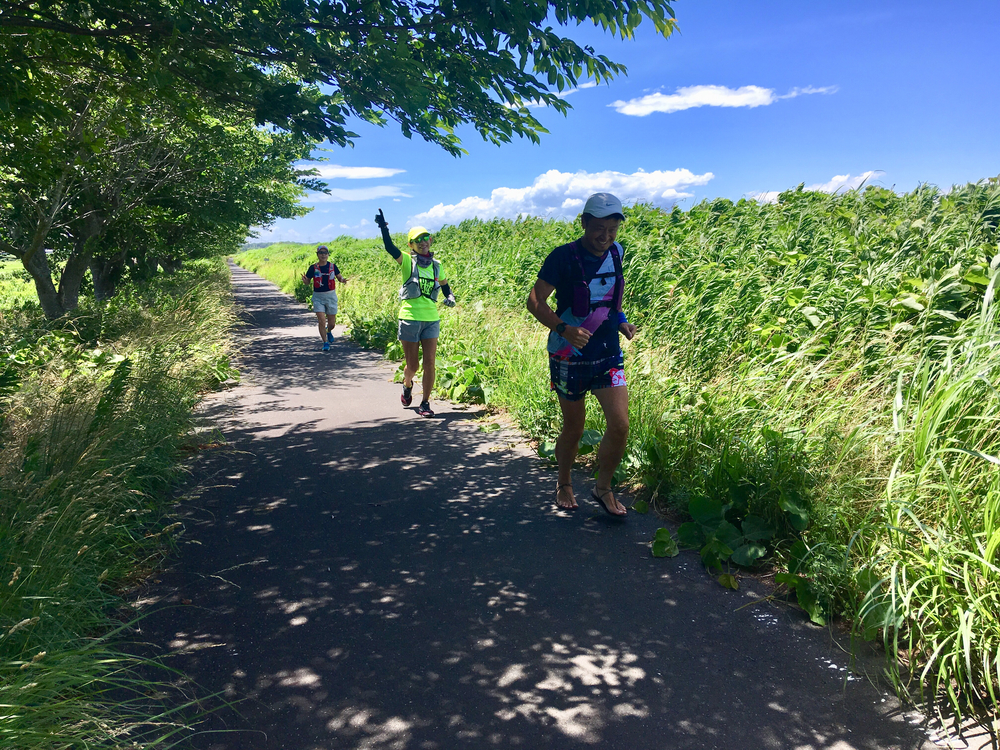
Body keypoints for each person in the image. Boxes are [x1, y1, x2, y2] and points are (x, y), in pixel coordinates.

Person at [526, 193, 637, 516]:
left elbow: (610, 301)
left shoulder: (616, 253)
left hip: (607, 353)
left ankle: (603, 487)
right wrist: (564, 329)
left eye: (612, 230)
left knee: (620, 425)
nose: (605, 237)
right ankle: (564, 481)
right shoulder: (562, 257)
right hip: (568, 354)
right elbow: (535, 301)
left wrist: (622, 322)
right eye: (599, 229)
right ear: (584, 223)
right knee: (574, 427)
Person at [375, 209, 456, 417]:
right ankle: (407, 382)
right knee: (413, 365)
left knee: (430, 362)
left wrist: (450, 296)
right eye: (417, 240)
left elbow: (445, 285)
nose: (423, 242)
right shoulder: (406, 262)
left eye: (426, 238)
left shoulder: (438, 266)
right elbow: (389, 247)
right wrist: (384, 228)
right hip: (410, 318)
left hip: (431, 320)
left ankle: (426, 403)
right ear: (410, 245)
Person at [302, 245, 348, 352]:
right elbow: (308, 282)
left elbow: (339, 277)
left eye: (325, 253)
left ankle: (328, 331)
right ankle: (325, 342)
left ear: (328, 255)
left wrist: (343, 280)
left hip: (331, 296)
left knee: (332, 323)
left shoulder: (333, 266)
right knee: (321, 320)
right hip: (318, 297)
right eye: (321, 253)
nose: (323, 255)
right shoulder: (313, 268)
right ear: (317, 255)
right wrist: (305, 281)